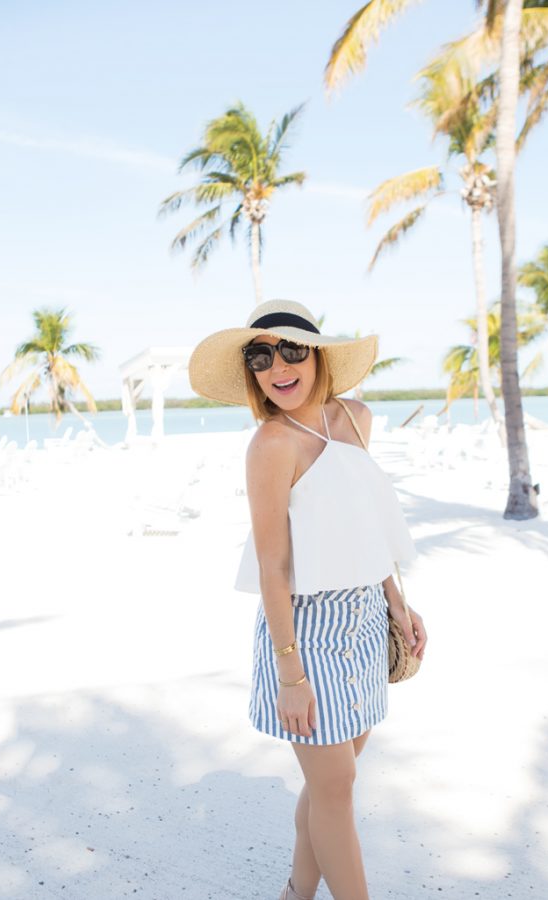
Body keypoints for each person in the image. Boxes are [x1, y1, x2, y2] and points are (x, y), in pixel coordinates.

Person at [188, 299, 427, 900]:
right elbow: (274, 566)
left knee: (331, 788)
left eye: (292, 349)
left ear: (317, 355)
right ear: (253, 372)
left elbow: (365, 526)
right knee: (336, 786)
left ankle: (296, 893)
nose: (279, 367)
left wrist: (398, 604)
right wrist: (289, 671)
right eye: (261, 356)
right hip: (304, 627)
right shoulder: (271, 444)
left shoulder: (355, 417)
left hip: (367, 620)